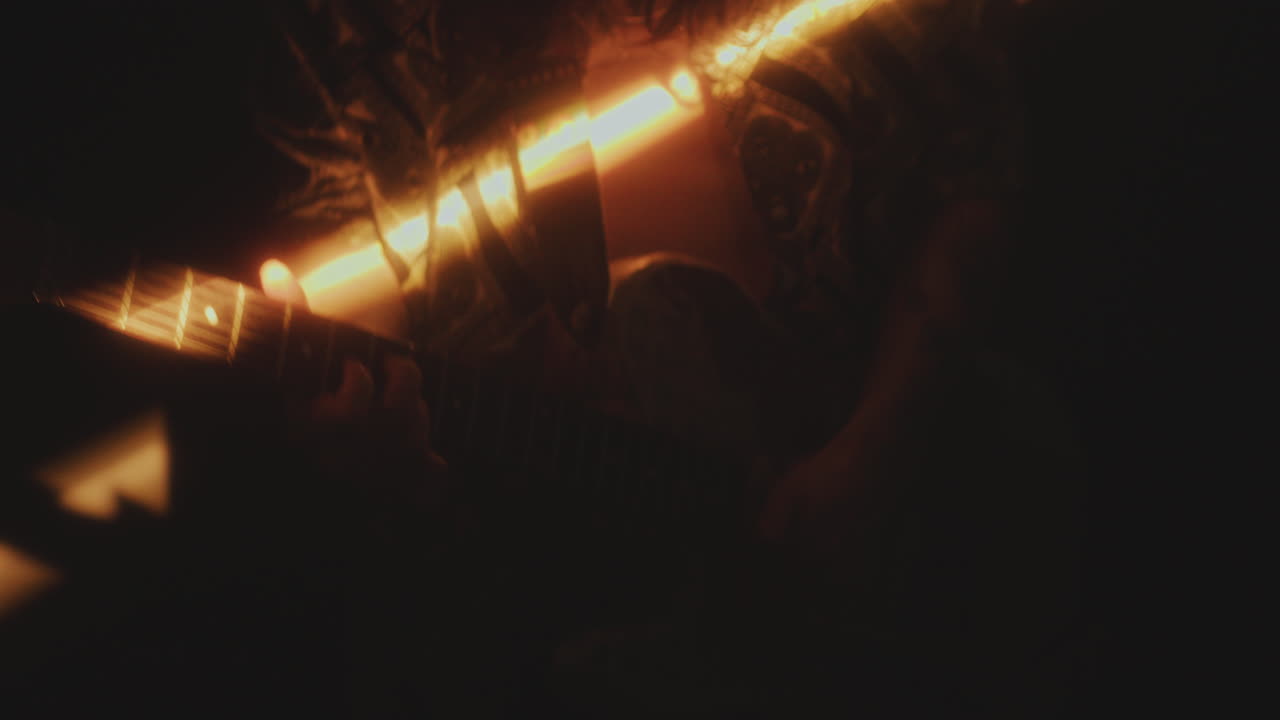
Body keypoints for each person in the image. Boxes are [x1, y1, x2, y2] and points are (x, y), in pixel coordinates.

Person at [252, 0, 1084, 715]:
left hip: (954, 541)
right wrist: (378, 438)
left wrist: (875, 448)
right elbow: (352, 280)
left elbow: (974, 158)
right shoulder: (352, 32)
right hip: (562, 604)